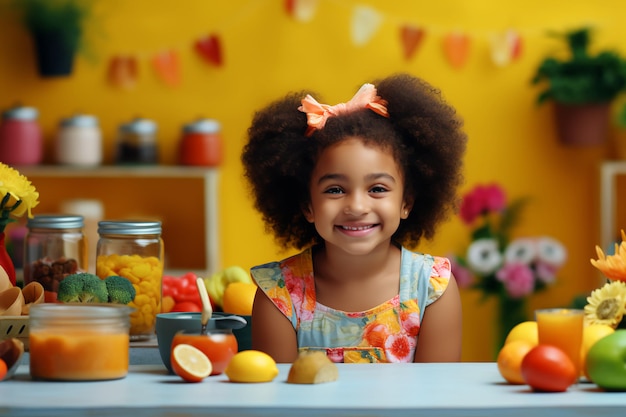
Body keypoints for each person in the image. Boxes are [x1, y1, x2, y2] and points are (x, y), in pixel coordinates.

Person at [241, 73, 467, 364]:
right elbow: (282, 405)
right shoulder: (278, 294)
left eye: (377, 189)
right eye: (335, 189)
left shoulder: (433, 288)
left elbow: (435, 403)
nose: (357, 206)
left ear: (406, 202)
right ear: (307, 205)